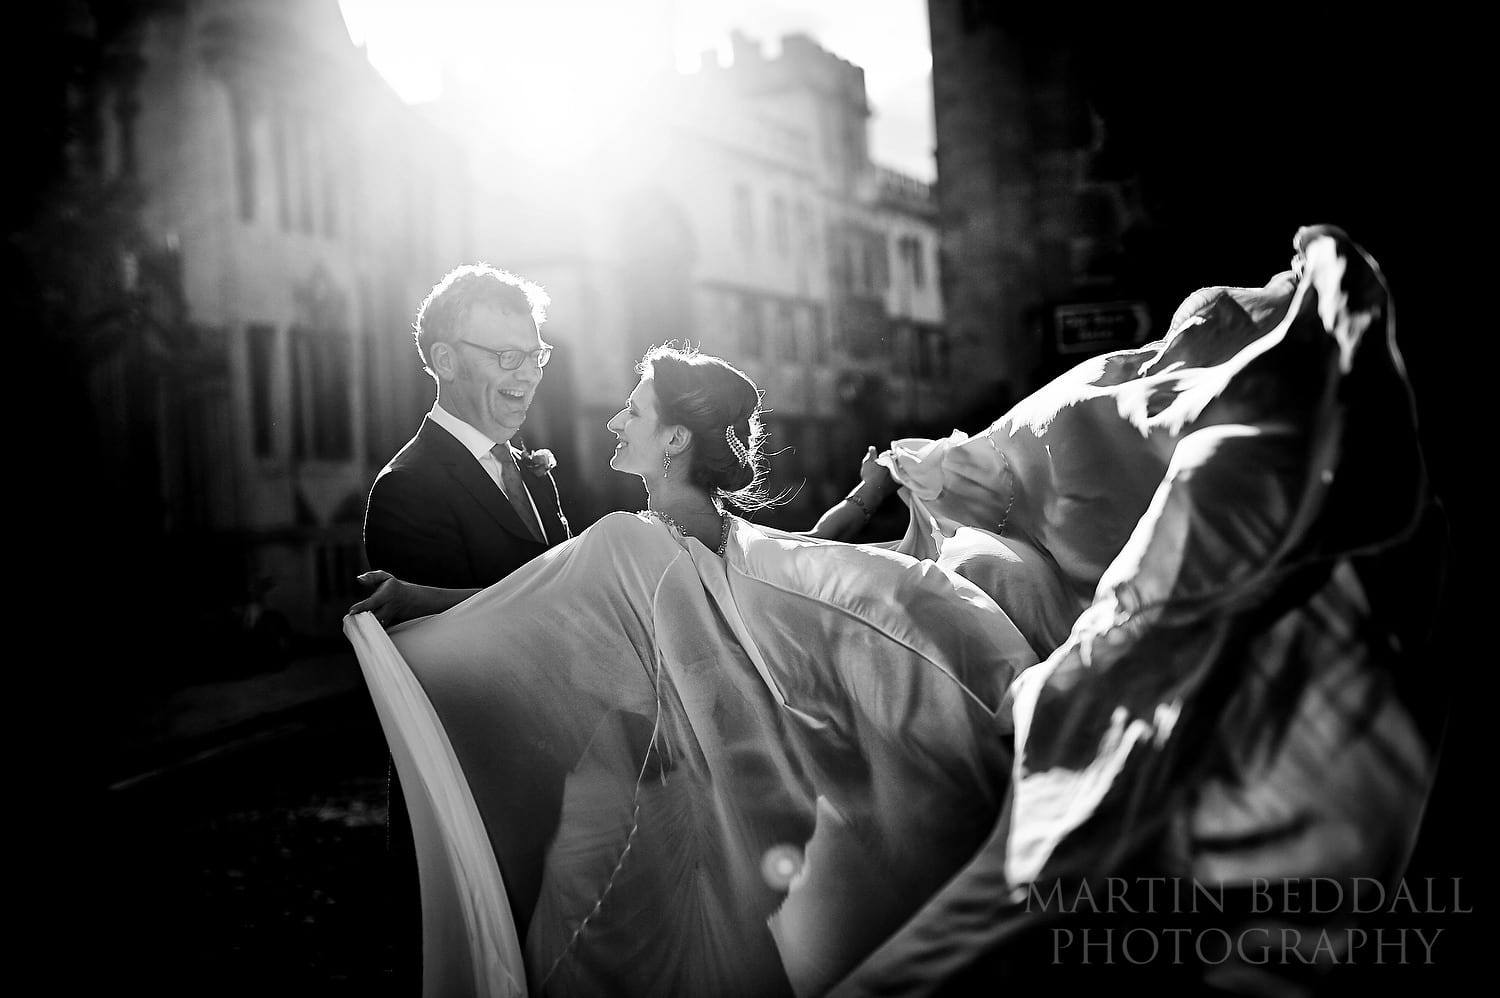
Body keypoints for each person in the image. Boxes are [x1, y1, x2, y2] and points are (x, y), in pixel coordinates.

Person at [347, 344, 1040, 997]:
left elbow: (526, 607)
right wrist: (868, 498)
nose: (617, 419)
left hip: (651, 813)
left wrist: (415, 602)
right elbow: (827, 560)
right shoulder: (739, 540)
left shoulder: (629, 543)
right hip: (748, 803)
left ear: (676, 439)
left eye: (637, 411)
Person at [361, 262, 572, 985]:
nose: (526, 376)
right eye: (506, 357)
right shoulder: (408, 488)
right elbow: (452, 656)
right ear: (445, 360)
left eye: (535, 356)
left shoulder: (531, 470)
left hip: (544, 784)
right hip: (469, 798)